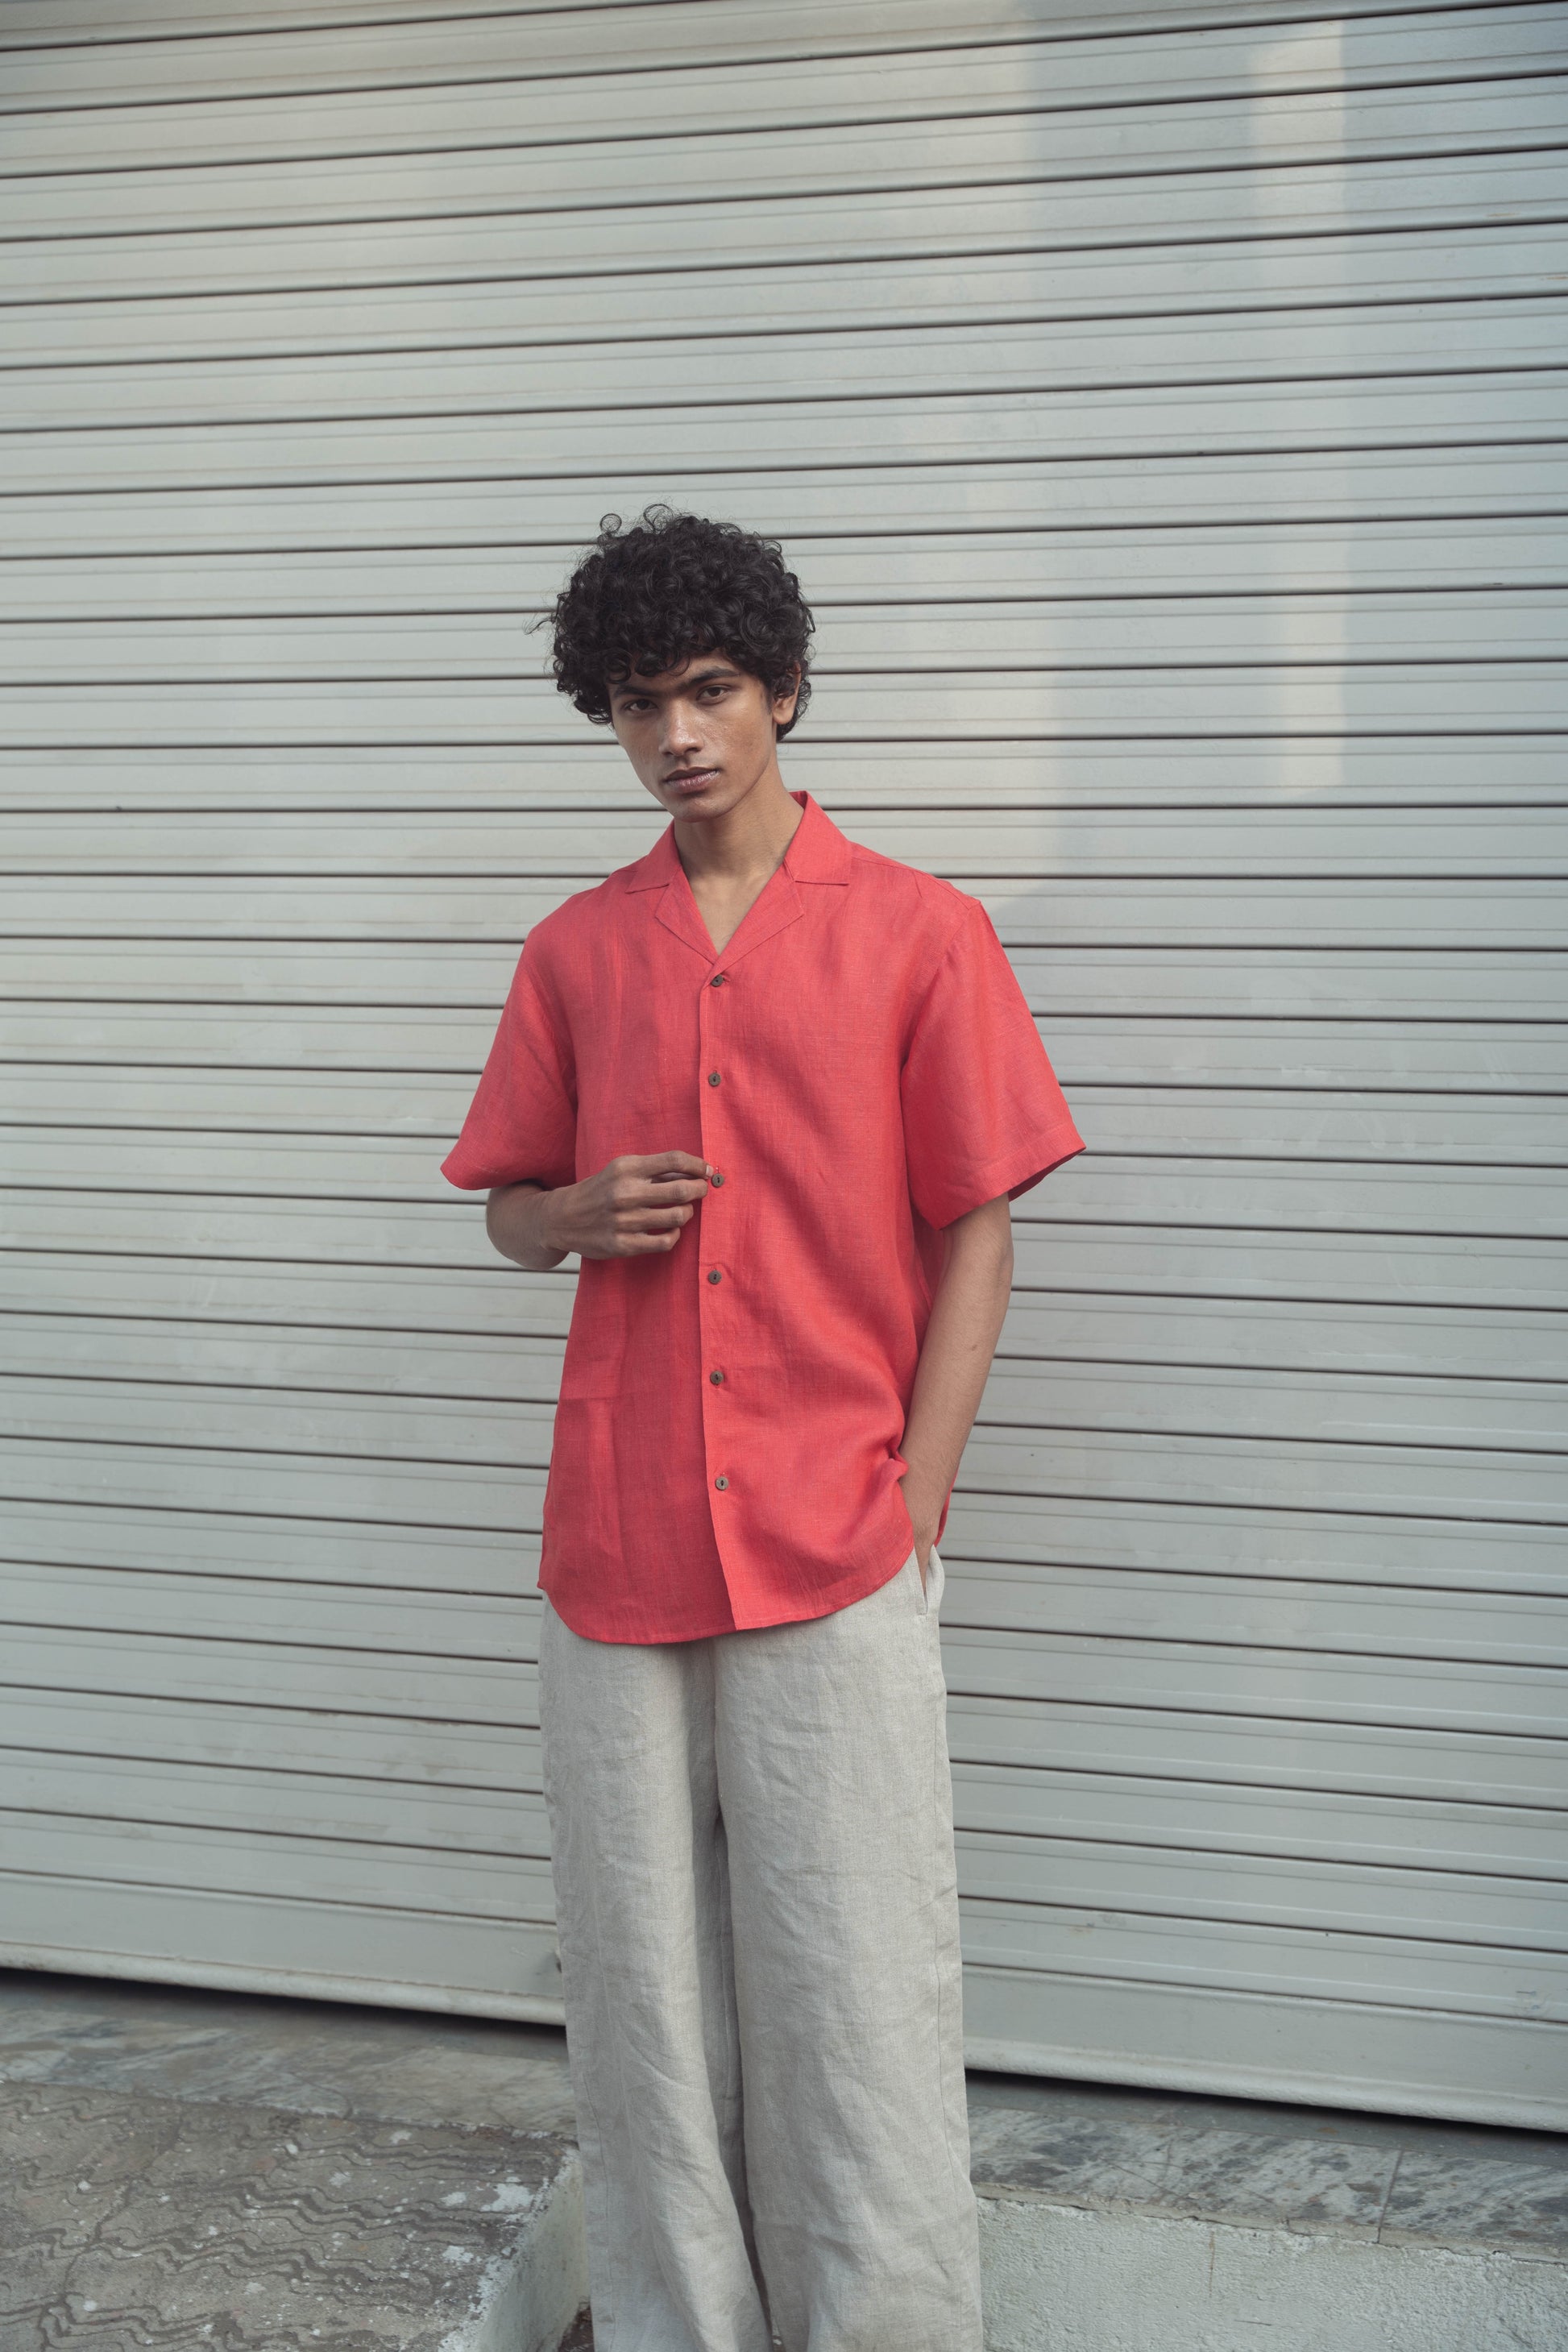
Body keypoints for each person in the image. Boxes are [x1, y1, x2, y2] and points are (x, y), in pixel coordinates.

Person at [442, 507, 1083, 2350]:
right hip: (619, 1527)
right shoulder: (577, 951)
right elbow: (503, 1202)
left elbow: (980, 1228)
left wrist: (921, 1495)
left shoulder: (917, 932)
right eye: (639, 703)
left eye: (711, 689)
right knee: (642, 1985)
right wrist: (568, 1217)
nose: (677, 733)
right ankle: (674, 2324)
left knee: (853, 1973)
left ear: (784, 687)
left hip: (837, 1524)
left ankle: (879, 2325)